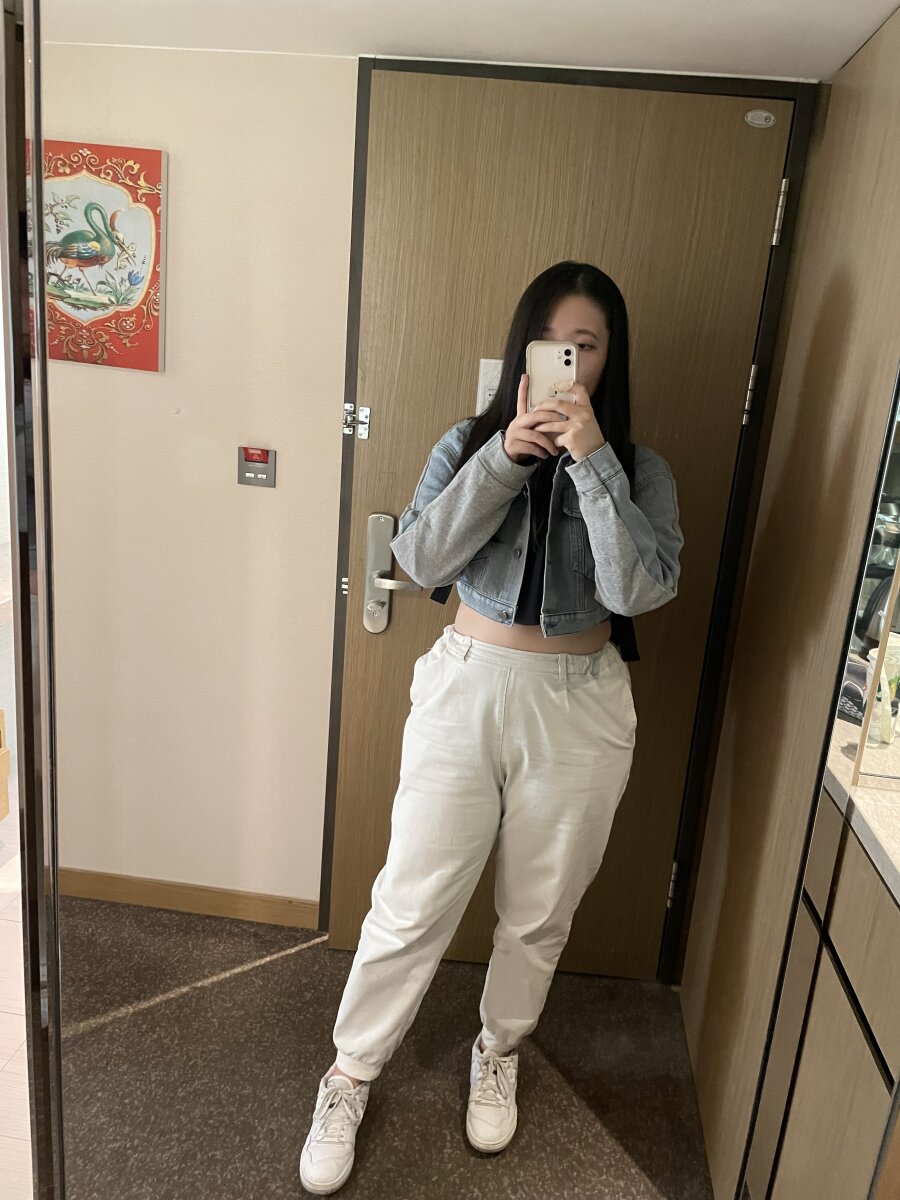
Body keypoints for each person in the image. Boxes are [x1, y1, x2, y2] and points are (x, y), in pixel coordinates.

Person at [299, 261, 684, 1195]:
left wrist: (591, 462)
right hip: (467, 682)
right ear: (523, 350)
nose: (568, 361)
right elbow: (422, 557)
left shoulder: (641, 469)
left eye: (586, 346)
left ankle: (498, 1049)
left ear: (610, 359)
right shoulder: (467, 442)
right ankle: (349, 1074)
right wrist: (505, 456)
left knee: (540, 909)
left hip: (580, 702)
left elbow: (641, 589)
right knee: (412, 896)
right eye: (552, 343)